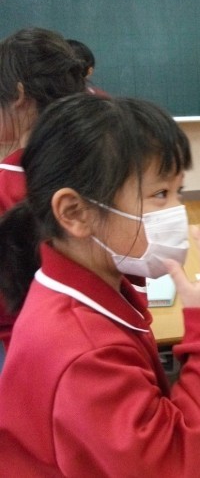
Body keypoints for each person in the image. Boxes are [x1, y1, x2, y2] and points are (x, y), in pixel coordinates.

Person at [0, 93, 200, 476]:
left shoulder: (89, 283)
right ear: (75, 213)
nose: (177, 211)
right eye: (159, 194)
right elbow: (180, 461)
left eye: (178, 192)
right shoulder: (85, 355)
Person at [0, 27, 85, 350]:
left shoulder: (7, 181)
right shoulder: (102, 165)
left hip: (28, 348)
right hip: (104, 336)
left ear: (19, 95)